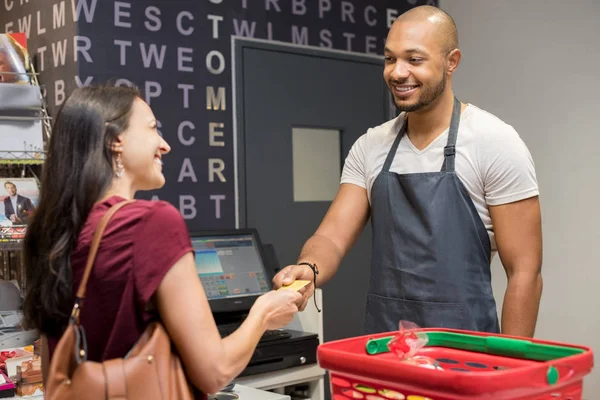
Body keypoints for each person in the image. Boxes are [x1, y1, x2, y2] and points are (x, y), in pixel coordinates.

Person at [273, 6, 543, 338]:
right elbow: (331, 237)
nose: (398, 73)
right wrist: (308, 269)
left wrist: (511, 368)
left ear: (451, 61)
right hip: (387, 350)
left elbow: (524, 272)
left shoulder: (495, 142)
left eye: (414, 60)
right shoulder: (371, 146)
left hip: (466, 355)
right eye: (390, 59)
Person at [22, 84, 302, 395]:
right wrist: (264, 312)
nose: (165, 145)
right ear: (116, 140)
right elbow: (215, 371)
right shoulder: (151, 223)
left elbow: (54, 374)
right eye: (153, 128)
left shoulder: (51, 234)